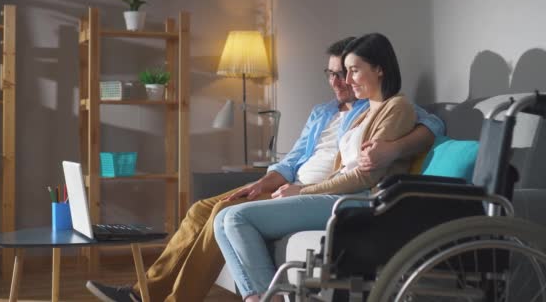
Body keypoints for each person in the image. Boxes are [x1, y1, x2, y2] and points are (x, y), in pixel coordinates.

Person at [85, 36, 443, 302]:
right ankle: (141, 294)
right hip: (294, 184)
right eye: (334, 74)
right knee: (200, 210)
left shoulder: (385, 108)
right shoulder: (328, 112)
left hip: (329, 192)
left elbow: (431, 125)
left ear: (375, 68)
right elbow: (293, 158)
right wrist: (266, 181)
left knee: (227, 215)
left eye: (348, 72)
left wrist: (393, 148)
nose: (341, 82)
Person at [214, 33, 419, 302]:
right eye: (345, 72)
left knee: (237, 218)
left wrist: (304, 191)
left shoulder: (396, 107)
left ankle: (268, 299)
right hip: (339, 196)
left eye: (354, 71)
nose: (346, 81)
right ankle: (259, 297)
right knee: (222, 219)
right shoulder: (368, 110)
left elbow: (364, 176)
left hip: (360, 202)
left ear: (380, 69)